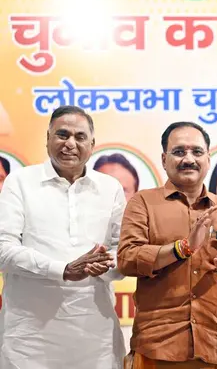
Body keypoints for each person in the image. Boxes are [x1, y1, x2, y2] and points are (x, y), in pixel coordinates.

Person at [117, 121, 217, 369]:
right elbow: (127, 259)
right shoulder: (143, 202)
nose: (188, 159)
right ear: (164, 158)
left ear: (208, 158)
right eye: (179, 152)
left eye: (197, 152)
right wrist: (183, 248)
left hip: (210, 346)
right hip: (156, 346)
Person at [0, 106, 126, 368]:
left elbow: (122, 251)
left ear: (92, 144)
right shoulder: (20, 182)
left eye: (80, 137)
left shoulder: (110, 188)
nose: (70, 144)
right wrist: (63, 270)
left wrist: (107, 264)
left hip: (94, 334)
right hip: (29, 338)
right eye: (62, 134)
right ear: (47, 139)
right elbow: (3, 250)